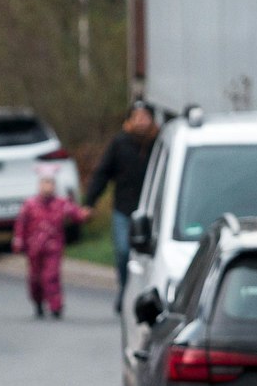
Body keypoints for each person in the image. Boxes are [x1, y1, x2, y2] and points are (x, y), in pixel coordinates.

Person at [82, 100, 160, 311]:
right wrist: (89, 202)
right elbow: (102, 173)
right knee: (124, 252)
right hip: (124, 210)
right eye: (137, 117)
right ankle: (125, 291)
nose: (141, 121)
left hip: (151, 211)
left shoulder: (159, 144)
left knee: (151, 255)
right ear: (130, 120)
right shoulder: (120, 143)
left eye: (145, 117)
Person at [12, 166, 90, 319]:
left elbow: (75, 213)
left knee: (51, 275)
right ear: (39, 185)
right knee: (35, 277)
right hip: (34, 248)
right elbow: (21, 224)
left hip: (53, 247)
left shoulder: (60, 203)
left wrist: (83, 215)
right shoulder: (30, 204)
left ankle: (55, 305)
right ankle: (38, 301)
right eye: (44, 183)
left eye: (51, 183)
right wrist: (19, 240)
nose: (48, 187)